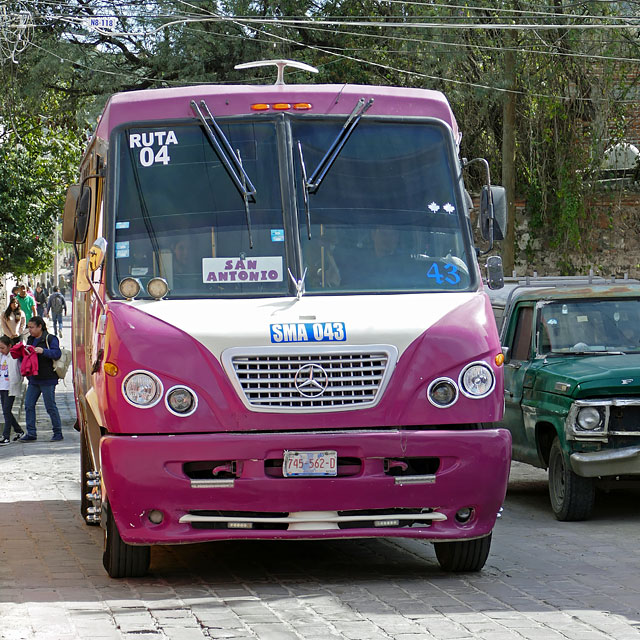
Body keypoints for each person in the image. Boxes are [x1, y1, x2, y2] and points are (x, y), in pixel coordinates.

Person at [18, 317, 63, 443]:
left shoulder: (50, 339)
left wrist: (43, 351)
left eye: (32, 327)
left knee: (50, 406)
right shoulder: (31, 339)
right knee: (28, 405)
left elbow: (56, 353)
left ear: (40, 327)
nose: (30, 330)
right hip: (34, 379)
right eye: (29, 327)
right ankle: (31, 433)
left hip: (48, 378)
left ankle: (57, 432)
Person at [0, 335, 24, 444]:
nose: (1, 350)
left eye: (2, 347)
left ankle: (6, 436)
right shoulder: (1, 356)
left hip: (11, 387)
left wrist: (18, 381)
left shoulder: (14, 356)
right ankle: (19, 431)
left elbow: (20, 370)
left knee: (6, 410)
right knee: (7, 411)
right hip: (2, 387)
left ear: (10, 346)